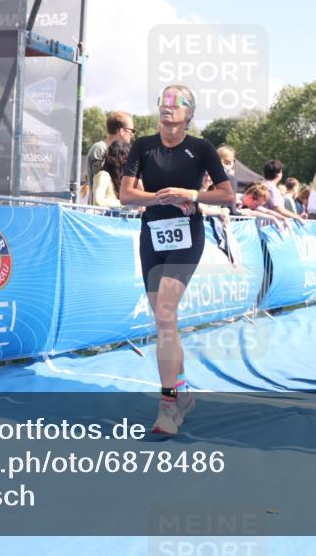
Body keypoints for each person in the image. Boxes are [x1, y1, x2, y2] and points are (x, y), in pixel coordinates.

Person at [119, 85, 234, 435]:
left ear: (189, 112)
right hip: (152, 235)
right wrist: (162, 197)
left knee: (166, 315)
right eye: (163, 101)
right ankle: (182, 391)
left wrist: (191, 194)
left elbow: (228, 195)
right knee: (164, 321)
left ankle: (168, 406)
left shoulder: (201, 149)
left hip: (188, 236)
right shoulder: (143, 146)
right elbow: (126, 194)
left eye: (176, 102)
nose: (168, 107)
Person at [86, 111, 135, 179]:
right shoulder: (100, 148)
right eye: (132, 130)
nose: (132, 134)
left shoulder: (122, 151)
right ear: (122, 131)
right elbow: (101, 181)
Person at [92, 139, 129, 208]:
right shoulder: (103, 175)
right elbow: (98, 201)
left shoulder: (121, 180)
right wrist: (124, 205)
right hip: (102, 217)